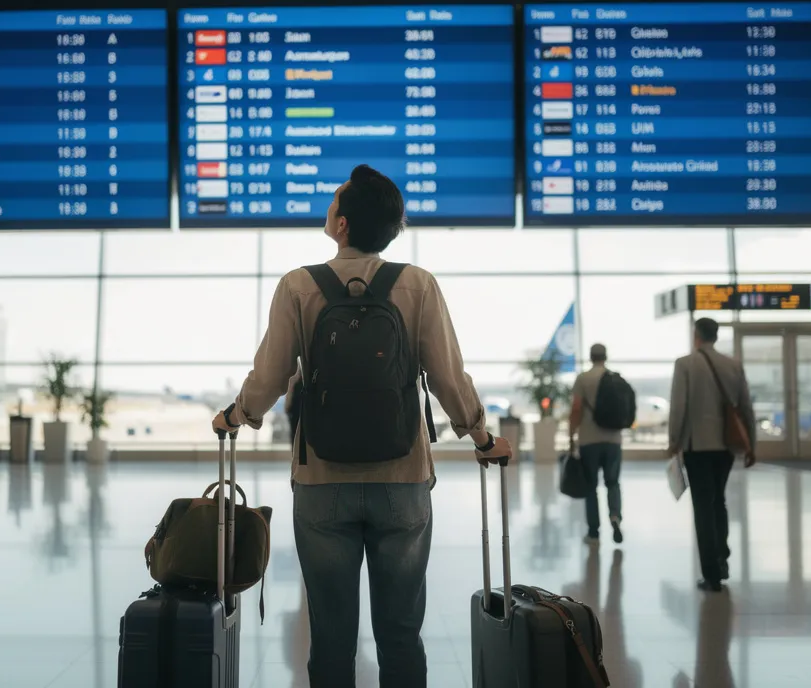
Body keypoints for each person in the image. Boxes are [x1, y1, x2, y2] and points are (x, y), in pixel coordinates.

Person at [210, 164, 513, 688]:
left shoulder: (298, 287)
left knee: (330, 634)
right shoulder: (417, 285)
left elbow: (269, 375)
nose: (328, 208)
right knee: (400, 632)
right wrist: (482, 436)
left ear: (344, 224)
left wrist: (237, 415)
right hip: (403, 478)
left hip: (322, 481)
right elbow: (446, 374)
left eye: (333, 202)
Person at [669, 318, 756, 593]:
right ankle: (722, 558)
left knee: (703, 506)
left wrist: (674, 441)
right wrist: (751, 444)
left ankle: (712, 573)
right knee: (719, 501)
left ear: (696, 336)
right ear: (715, 336)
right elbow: (745, 407)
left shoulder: (685, 364)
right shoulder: (733, 365)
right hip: (727, 446)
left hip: (698, 446)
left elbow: (679, 406)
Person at [568, 343, 624, 544]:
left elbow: (576, 408)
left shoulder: (583, 379)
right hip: (613, 440)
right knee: (613, 482)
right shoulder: (615, 378)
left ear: (591, 357)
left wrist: (571, 433)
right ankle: (615, 516)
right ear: (605, 357)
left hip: (589, 440)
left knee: (591, 486)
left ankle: (594, 532)